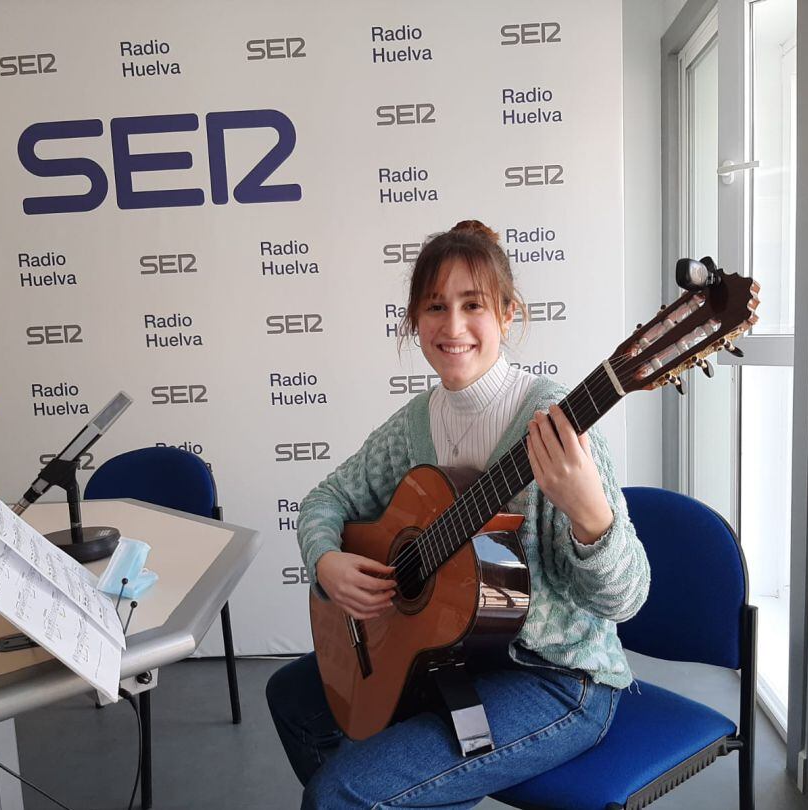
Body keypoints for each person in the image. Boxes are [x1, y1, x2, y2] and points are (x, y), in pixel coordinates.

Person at [267, 220, 651, 809]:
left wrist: (589, 516)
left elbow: (624, 602)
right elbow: (327, 499)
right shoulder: (415, 425)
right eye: (434, 307)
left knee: (339, 793)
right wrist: (326, 561)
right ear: (413, 321)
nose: (452, 327)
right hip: (454, 658)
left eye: (472, 305)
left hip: (555, 680)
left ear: (506, 314)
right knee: (291, 699)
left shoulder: (555, 427)